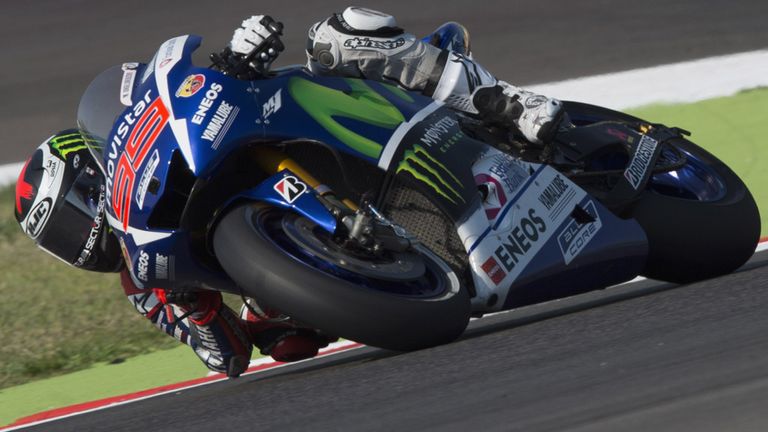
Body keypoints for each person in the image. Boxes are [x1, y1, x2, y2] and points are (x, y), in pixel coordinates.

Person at [14, 8, 563, 378]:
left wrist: (236, 59)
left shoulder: (151, 151)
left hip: (338, 114)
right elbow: (226, 357)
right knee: (280, 336)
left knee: (340, 33)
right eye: (59, 240)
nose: (78, 242)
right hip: (342, 281)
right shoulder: (144, 281)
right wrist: (192, 305)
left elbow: (194, 94)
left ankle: (509, 103)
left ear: (92, 171)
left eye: (69, 218)